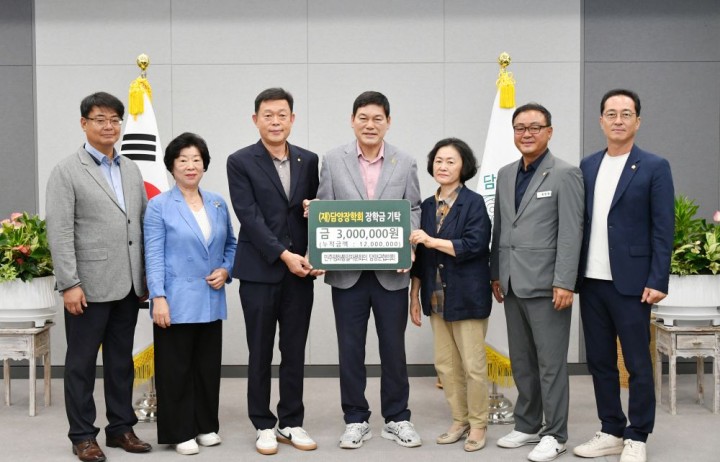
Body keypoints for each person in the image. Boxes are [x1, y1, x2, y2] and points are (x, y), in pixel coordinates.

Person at [46, 92, 152, 462]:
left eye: (114, 120)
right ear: (84, 123)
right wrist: (69, 283)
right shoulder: (66, 171)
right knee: (81, 365)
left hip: (128, 286)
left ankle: (121, 428)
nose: (109, 126)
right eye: (100, 119)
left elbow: (140, 225)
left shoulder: (131, 169)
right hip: (87, 287)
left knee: (121, 363)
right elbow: (59, 232)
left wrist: (145, 276)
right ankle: (82, 436)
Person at [315, 91, 422, 449]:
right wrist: (317, 228)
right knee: (350, 350)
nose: (370, 124)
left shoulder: (405, 162)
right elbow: (325, 207)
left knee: (393, 349)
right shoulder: (333, 160)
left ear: (388, 122)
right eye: (363, 117)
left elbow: (414, 208)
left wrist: (409, 245)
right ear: (352, 121)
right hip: (348, 276)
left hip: (392, 274)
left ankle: (397, 417)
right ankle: (355, 419)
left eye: (378, 118)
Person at [573, 89, 674, 462]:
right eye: (611, 113)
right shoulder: (587, 166)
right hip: (591, 281)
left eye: (626, 113)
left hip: (632, 284)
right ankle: (611, 429)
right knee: (599, 361)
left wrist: (658, 279)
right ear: (601, 120)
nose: (618, 120)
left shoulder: (654, 166)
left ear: (637, 121)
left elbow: (663, 227)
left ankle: (638, 435)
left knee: (636, 363)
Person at [226, 88, 320, 455]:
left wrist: (314, 251)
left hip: (300, 273)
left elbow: (316, 211)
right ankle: (263, 424)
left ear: (292, 119)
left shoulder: (309, 160)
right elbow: (248, 216)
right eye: (268, 115)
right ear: (256, 120)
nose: (275, 121)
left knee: (294, 350)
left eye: (282, 115)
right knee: (260, 351)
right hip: (260, 271)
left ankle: (291, 421)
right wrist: (284, 255)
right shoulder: (240, 161)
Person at [490, 103, 584, 462]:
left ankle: (555, 434)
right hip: (512, 282)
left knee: (550, 364)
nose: (526, 134)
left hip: (548, 285)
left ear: (549, 131)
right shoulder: (505, 174)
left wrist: (565, 282)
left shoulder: (565, 174)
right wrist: (495, 272)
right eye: (520, 128)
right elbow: (501, 228)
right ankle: (527, 424)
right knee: (522, 361)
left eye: (534, 127)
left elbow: (571, 233)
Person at [144, 132, 237, 455]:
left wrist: (226, 270)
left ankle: (205, 425)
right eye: (183, 160)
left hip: (211, 298)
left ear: (204, 165)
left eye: (196, 159)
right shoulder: (159, 205)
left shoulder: (217, 202)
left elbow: (231, 244)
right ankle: (180, 431)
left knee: (207, 367)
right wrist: (158, 297)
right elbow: (153, 254)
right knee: (176, 369)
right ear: (172, 165)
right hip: (174, 300)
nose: (190, 165)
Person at [409, 138, 492, 452]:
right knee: (445, 365)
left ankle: (479, 424)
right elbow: (420, 258)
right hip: (435, 297)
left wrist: (431, 241)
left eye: (451, 161)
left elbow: (475, 245)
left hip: (467, 296)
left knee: (473, 366)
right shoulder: (426, 206)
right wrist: (414, 295)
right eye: (438, 161)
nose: (443, 166)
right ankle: (460, 420)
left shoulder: (474, 203)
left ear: (464, 167)